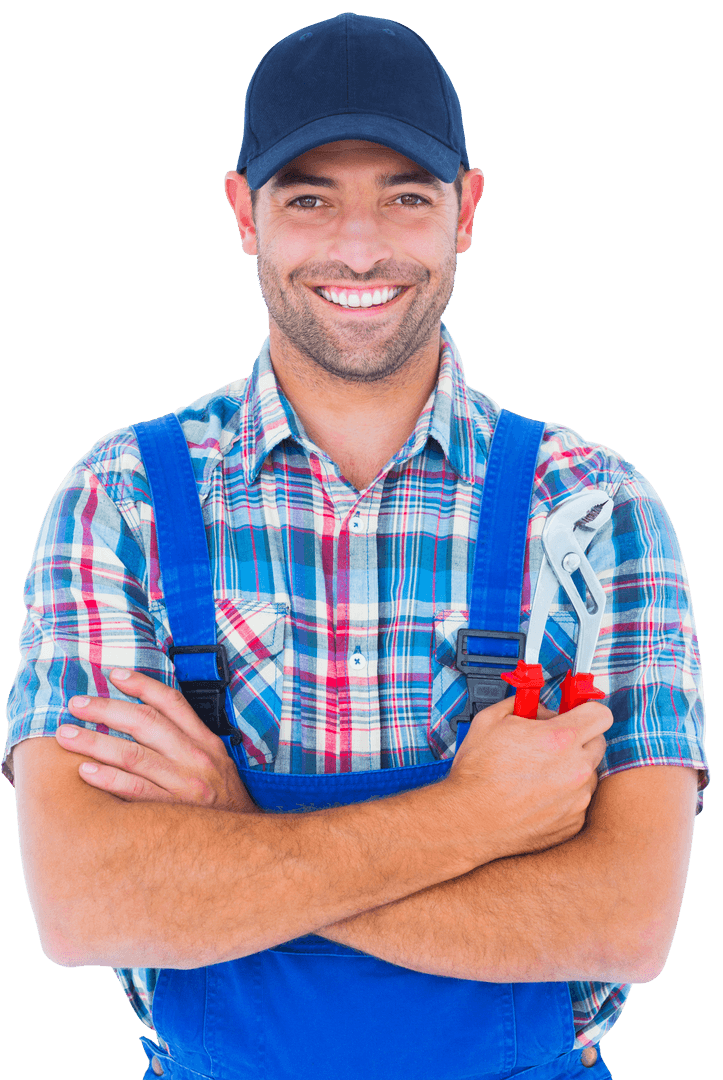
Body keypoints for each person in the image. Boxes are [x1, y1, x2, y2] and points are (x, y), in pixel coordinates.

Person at [5, 13, 708, 1080]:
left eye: (406, 196)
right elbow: (83, 905)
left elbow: (625, 924)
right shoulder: (122, 502)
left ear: (466, 211)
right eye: (309, 198)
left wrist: (229, 846)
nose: (360, 247)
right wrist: (476, 819)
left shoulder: (599, 511)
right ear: (244, 213)